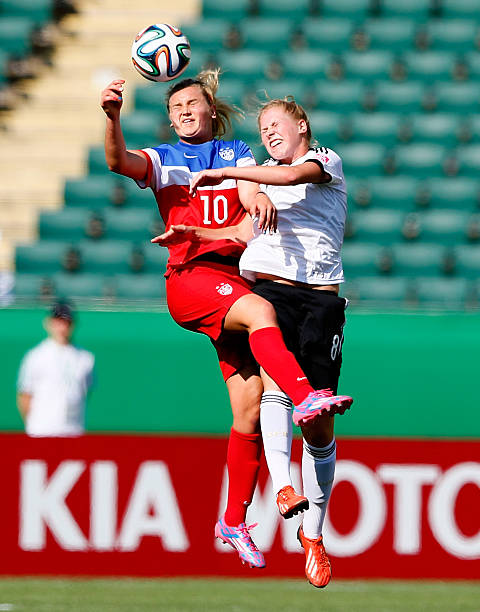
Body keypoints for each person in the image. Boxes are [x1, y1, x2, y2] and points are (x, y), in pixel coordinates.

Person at [100, 71, 352, 570]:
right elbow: (118, 161)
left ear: (211, 110)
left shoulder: (238, 155)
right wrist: (112, 117)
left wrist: (251, 200)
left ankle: (233, 519)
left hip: (233, 281)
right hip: (193, 279)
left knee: (250, 409)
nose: (185, 113)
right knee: (263, 315)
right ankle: (304, 397)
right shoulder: (164, 159)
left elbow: (249, 207)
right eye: (176, 109)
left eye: (192, 104)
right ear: (169, 120)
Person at [172, 97, 352, 588]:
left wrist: (233, 175)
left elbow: (294, 178)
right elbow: (241, 230)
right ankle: (283, 487)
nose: (269, 131)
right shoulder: (258, 176)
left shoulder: (324, 162)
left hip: (320, 302)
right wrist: (196, 232)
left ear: (302, 126)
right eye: (263, 127)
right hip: (270, 291)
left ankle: (313, 536)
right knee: (275, 384)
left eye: (277, 124)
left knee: (318, 427)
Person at [16, 301, 95, 437]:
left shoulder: (85, 358)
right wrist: (34, 425)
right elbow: (25, 396)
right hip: (42, 431)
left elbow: (85, 392)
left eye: (67, 322)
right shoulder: (35, 356)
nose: (62, 327)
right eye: (59, 322)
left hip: (73, 430)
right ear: (49, 323)